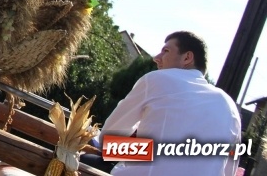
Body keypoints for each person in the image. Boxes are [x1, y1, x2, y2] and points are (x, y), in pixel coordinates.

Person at [99, 31, 241, 176]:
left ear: (187, 57)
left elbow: (108, 140)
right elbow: (229, 170)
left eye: (166, 51)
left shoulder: (157, 80)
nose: (156, 58)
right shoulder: (229, 105)